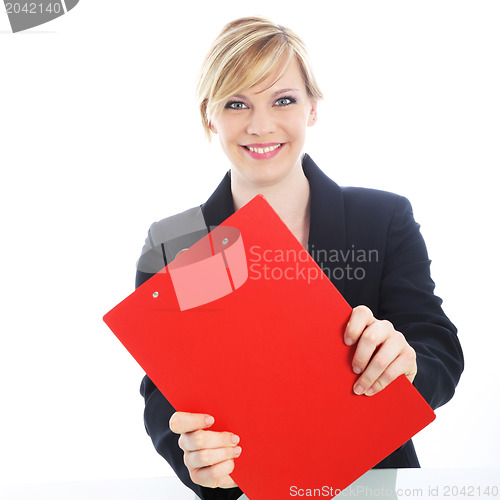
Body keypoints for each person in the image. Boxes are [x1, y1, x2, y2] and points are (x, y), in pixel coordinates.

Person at [136, 16, 464, 500]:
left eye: (283, 99)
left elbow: (438, 346)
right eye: (236, 103)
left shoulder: (383, 217)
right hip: (251, 490)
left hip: (373, 485)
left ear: (312, 107)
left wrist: (409, 364)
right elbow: (164, 390)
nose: (260, 124)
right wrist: (199, 465)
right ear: (210, 116)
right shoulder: (176, 242)